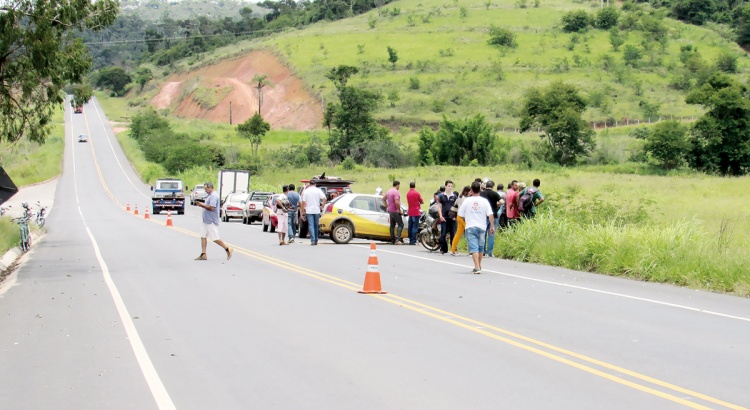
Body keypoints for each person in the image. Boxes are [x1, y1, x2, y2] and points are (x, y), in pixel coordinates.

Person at [458, 181, 494, 274]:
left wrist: (467, 217)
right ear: (480, 190)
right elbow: (490, 214)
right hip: (482, 227)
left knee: (474, 248)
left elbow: (460, 214)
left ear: (471, 190)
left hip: (470, 226)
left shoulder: (467, 200)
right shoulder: (484, 201)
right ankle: (478, 265)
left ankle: (477, 267)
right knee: (480, 248)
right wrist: (492, 226)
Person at [194, 182, 232, 260]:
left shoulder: (214, 196)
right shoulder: (209, 196)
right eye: (205, 189)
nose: (206, 190)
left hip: (211, 221)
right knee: (203, 236)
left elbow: (212, 208)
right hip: (206, 221)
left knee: (214, 238)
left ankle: (227, 248)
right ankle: (203, 254)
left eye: (207, 189)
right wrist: (202, 205)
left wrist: (202, 205)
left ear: (211, 187)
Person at [300, 179, 326, 246]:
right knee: (316, 225)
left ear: (309, 184)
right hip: (316, 210)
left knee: (310, 225)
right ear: (315, 184)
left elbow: (303, 202)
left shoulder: (306, 191)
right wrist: (322, 206)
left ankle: (312, 240)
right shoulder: (318, 190)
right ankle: (316, 239)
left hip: (309, 210)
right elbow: (325, 198)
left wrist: (303, 210)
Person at [480, 180, 502, 257]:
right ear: (493, 187)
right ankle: (489, 252)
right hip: (493, 215)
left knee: (483, 234)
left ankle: (482, 251)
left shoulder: (481, 194)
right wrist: (497, 206)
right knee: (491, 234)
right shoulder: (495, 194)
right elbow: (502, 201)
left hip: (483, 216)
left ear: (486, 186)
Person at [437, 180, 458, 255]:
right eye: (448, 186)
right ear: (445, 186)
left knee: (453, 234)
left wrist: (455, 216)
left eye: (451, 186)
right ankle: (443, 248)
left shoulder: (454, 196)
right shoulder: (441, 196)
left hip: (452, 218)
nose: (450, 187)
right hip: (444, 217)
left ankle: (453, 248)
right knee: (443, 234)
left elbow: (456, 207)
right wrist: (441, 216)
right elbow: (439, 207)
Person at [450, 185, 471, 255]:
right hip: (464, 218)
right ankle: (470, 250)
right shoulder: (466, 199)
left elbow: (455, 206)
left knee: (458, 234)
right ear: (467, 192)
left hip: (459, 216)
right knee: (469, 233)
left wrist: (454, 216)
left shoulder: (459, 197)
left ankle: (452, 249)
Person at [383, 180, 404, 245]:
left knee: (392, 225)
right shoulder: (396, 192)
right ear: (397, 185)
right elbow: (397, 202)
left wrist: (387, 206)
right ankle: (397, 239)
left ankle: (392, 239)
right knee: (401, 224)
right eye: (399, 185)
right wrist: (399, 210)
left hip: (390, 211)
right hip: (395, 211)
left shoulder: (389, 191)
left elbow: (383, 199)